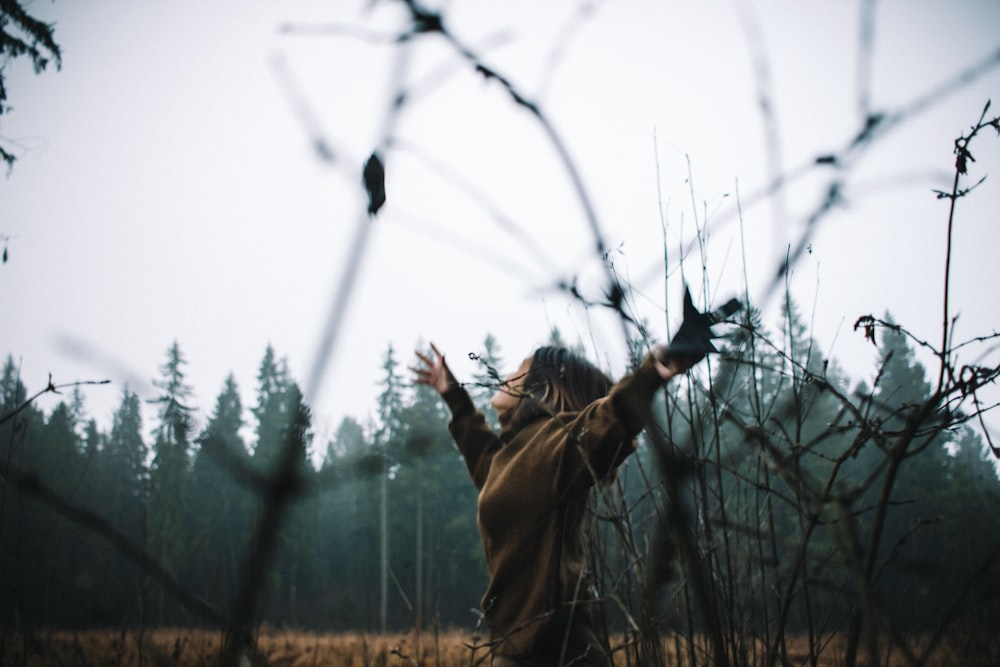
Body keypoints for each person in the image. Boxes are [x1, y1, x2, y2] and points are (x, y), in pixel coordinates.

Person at [411, 340, 703, 666]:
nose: (506, 374)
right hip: (514, 647)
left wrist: (651, 374)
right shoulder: (512, 454)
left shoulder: (555, 444)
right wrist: (451, 392)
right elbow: (485, 460)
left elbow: (607, 419)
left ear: (542, 387)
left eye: (519, 369)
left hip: (556, 650)